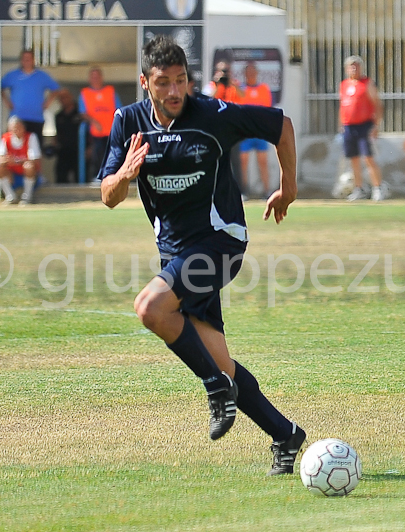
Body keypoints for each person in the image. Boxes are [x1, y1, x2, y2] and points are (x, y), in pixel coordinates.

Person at [98, 35, 305, 475]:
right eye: (163, 83)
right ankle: (284, 434)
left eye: (180, 81)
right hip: (175, 253)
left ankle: (215, 389)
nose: (174, 92)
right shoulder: (128, 122)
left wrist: (289, 187)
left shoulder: (211, 114)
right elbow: (108, 196)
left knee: (150, 308)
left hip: (221, 242)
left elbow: (281, 126)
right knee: (220, 359)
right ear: (145, 83)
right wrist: (124, 175)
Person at [339, 55, 386, 201]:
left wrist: (376, 125)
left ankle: (377, 188)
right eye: (351, 66)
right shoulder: (344, 84)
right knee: (353, 159)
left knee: (368, 158)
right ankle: (359, 188)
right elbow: (343, 106)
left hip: (364, 125)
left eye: (356, 65)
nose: (353, 68)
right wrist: (341, 124)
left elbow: (377, 104)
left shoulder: (367, 83)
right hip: (349, 126)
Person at [1, 49, 59, 151]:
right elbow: (0, 87)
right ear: (21, 60)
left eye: (29, 59)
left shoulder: (42, 75)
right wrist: (7, 102)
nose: (26, 61)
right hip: (17, 119)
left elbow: (55, 89)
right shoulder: (12, 75)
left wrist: (47, 103)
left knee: (35, 150)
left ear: (33, 60)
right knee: (13, 149)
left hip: (36, 118)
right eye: (24, 59)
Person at [202, 59, 246, 194]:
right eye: (222, 71)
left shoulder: (235, 85)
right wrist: (217, 84)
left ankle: (240, 190)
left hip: (232, 130)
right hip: (214, 131)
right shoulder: (211, 85)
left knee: (235, 162)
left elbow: (243, 96)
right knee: (213, 161)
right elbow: (206, 99)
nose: (224, 74)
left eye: (226, 71)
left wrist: (231, 82)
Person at [239, 62, 274, 198]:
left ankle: (267, 191)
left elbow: (267, 109)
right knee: (243, 161)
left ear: (257, 73)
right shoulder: (240, 89)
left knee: (263, 161)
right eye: (248, 72)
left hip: (259, 132)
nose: (251, 74)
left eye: (253, 71)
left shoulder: (264, 89)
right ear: (244, 74)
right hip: (245, 132)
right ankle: (244, 191)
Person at [79, 67, 122, 182]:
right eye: (93, 76)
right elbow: (83, 113)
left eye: (97, 76)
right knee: (96, 155)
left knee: (113, 154)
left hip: (111, 130)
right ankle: (98, 176)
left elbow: (119, 109)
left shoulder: (110, 91)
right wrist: (94, 122)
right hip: (95, 131)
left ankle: (112, 176)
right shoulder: (85, 93)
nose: (95, 79)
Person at [0, 116, 41, 205]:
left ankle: (27, 197)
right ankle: (10, 196)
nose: (16, 130)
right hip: (12, 175)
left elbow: (34, 159)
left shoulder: (31, 137)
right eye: (14, 128)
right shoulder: (5, 138)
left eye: (19, 127)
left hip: (26, 173)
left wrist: (16, 161)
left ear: (23, 128)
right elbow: (0, 158)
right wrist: (7, 161)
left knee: (29, 166)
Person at [53, 88, 83, 184]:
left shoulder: (80, 113)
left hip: (79, 150)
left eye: (65, 97)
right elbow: (57, 133)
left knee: (79, 176)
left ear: (71, 97)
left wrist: (90, 147)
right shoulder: (58, 116)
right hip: (63, 150)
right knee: (60, 175)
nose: (63, 100)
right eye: (61, 98)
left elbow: (87, 132)